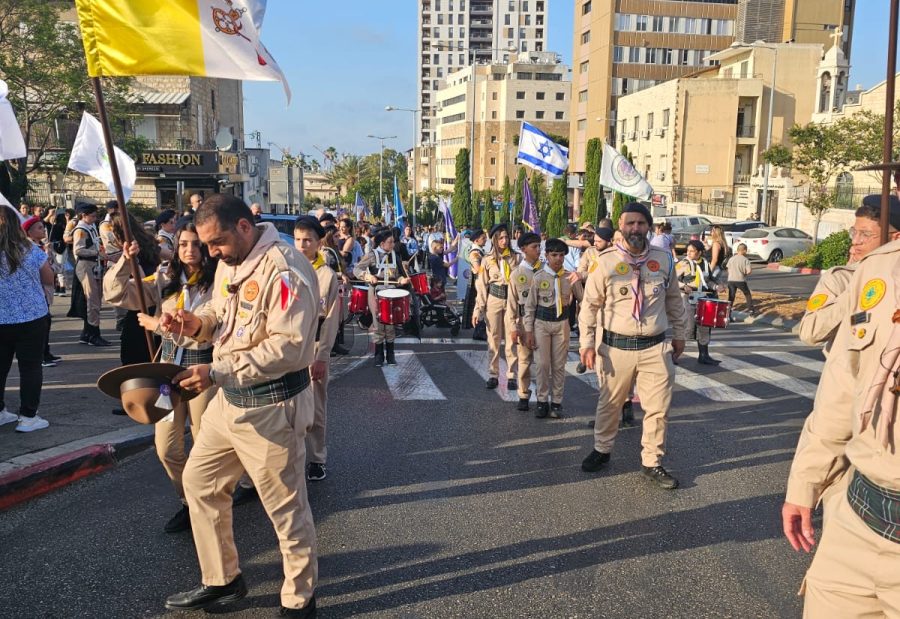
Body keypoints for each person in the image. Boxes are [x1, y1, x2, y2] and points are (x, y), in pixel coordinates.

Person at [157, 194, 319, 616]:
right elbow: (221, 309)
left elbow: (289, 347)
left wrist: (217, 371)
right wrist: (197, 323)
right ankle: (222, 580)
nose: (212, 253)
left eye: (217, 242)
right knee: (199, 483)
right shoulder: (233, 261)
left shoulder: (284, 268)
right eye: (207, 244)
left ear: (245, 227)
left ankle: (299, 599)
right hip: (228, 403)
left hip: (271, 407)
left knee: (286, 511)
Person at [782, 238, 900, 617]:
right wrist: (805, 484)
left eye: (866, 233)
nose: (855, 241)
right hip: (858, 522)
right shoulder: (875, 270)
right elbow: (840, 393)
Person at [106, 220, 216, 533]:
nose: (190, 250)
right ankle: (189, 502)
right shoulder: (165, 276)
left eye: (196, 244)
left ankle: (210, 502)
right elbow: (117, 294)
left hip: (200, 371)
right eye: (183, 244)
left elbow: (209, 325)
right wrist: (126, 261)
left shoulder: (219, 279)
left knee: (205, 444)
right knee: (167, 447)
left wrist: (161, 327)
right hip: (167, 375)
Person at [578, 202, 688, 489]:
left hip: (655, 348)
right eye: (630, 223)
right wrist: (586, 343)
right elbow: (589, 306)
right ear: (621, 226)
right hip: (617, 348)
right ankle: (602, 449)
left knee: (658, 409)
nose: (635, 228)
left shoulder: (663, 260)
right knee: (610, 404)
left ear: (649, 226)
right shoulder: (605, 261)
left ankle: (652, 461)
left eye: (641, 223)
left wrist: (680, 334)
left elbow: (674, 300)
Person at [799, 194, 900, 354]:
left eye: (865, 234)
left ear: (895, 238)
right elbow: (809, 332)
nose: (855, 241)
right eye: (854, 232)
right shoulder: (841, 278)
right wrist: (853, 291)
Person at [293, 216, 340, 482]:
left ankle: (317, 458)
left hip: (314, 345)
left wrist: (322, 356)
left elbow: (331, 319)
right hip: (287, 346)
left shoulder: (327, 275)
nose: (302, 245)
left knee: (315, 405)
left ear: (319, 242)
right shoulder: (284, 270)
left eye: (308, 240)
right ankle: (292, 456)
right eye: (298, 240)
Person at [0, 206, 54, 432]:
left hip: (2, 317)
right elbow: (49, 278)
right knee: (30, 368)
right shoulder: (30, 249)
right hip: (32, 316)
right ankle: (28, 416)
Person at [524, 237, 578, 419]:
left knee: (559, 365)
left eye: (561, 255)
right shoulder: (539, 277)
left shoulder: (569, 277)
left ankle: (556, 402)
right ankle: (541, 401)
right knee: (542, 364)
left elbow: (584, 299)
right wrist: (529, 331)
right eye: (554, 255)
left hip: (562, 324)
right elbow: (530, 306)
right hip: (542, 324)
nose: (558, 259)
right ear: (546, 255)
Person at [474, 223, 521, 390]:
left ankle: (512, 375)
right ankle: (493, 374)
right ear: (494, 240)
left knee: (511, 339)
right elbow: (481, 285)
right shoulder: (487, 259)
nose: (504, 240)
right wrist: (478, 308)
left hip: (511, 301)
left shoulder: (516, 258)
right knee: (493, 339)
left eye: (506, 237)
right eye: (501, 238)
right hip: (494, 299)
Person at [354, 228, 409, 366]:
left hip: (392, 294)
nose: (393, 244)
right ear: (382, 243)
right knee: (378, 324)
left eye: (393, 242)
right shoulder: (372, 255)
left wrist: (402, 280)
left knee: (390, 325)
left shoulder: (395, 255)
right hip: (376, 293)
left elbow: (398, 275)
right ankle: (379, 355)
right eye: (390, 242)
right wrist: (367, 276)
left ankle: (390, 354)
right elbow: (357, 269)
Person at [505, 231, 542, 412]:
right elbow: (511, 304)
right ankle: (523, 394)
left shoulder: (546, 271)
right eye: (534, 247)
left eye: (539, 246)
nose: (538, 250)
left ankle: (542, 398)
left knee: (543, 362)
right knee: (525, 360)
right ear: (523, 249)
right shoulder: (516, 274)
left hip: (542, 321)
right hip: (523, 320)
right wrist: (513, 327)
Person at [70, 203, 111, 347]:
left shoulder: (90, 227)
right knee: (92, 300)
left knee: (95, 300)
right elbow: (78, 250)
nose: (95, 218)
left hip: (94, 265)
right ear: (83, 216)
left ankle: (86, 333)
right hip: (86, 265)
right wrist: (97, 253)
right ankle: (94, 335)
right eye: (92, 216)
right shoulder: (81, 230)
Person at [22, 216, 61, 368]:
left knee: (47, 322)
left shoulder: (43, 247)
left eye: (43, 227)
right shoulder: (28, 249)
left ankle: (46, 352)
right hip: (36, 290)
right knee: (42, 324)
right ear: (29, 232)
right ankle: (42, 355)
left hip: (46, 290)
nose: (43, 230)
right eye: (39, 228)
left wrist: (49, 253)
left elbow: (56, 268)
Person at [677, 240, 721, 366]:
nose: (688, 253)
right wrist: (683, 286)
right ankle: (674, 354)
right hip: (688, 299)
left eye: (692, 251)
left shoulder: (705, 263)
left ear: (700, 252)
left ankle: (703, 355)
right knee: (688, 328)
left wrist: (716, 287)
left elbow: (708, 281)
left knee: (704, 327)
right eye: (688, 251)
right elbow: (672, 279)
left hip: (703, 299)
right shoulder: (683, 264)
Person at [462, 229, 487, 331]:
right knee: (479, 305)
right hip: (478, 280)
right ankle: (478, 329)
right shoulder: (475, 253)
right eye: (483, 238)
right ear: (476, 240)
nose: (485, 240)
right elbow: (478, 269)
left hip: (479, 280)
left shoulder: (479, 250)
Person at [726, 243, 757, 316]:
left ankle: (728, 310)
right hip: (740, 280)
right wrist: (744, 274)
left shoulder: (731, 259)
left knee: (731, 296)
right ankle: (750, 309)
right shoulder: (745, 260)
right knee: (747, 294)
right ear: (744, 250)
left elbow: (728, 269)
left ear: (737, 250)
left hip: (731, 280)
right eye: (746, 250)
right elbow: (749, 271)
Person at [427, 237, 457, 304]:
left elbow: (450, 249)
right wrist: (457, 258)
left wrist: (457, 239)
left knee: (441, 296)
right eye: (440, 247)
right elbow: (447, 265)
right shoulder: (435, 258)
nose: (442, 249)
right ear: (435, 248)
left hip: (439, 279)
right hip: (438, 281)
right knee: (440, 297)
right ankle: (441, 307)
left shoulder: (437, 254)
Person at [48, 211, 70, 296]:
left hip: (59, 247)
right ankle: (58, 286)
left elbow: (67, 230)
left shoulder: (60, 226)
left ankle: (62, 287)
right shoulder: (50, 226)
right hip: (54, 247)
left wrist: (67, 220)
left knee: (59, 267)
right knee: (56, 267)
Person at [99, 200, 123, 264]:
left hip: (120, 253)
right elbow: (113, 240)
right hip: (113, 255)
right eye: (118, 209)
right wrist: (124, 247)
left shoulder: (117, 221)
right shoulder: (106, 224)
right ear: (112, 210)